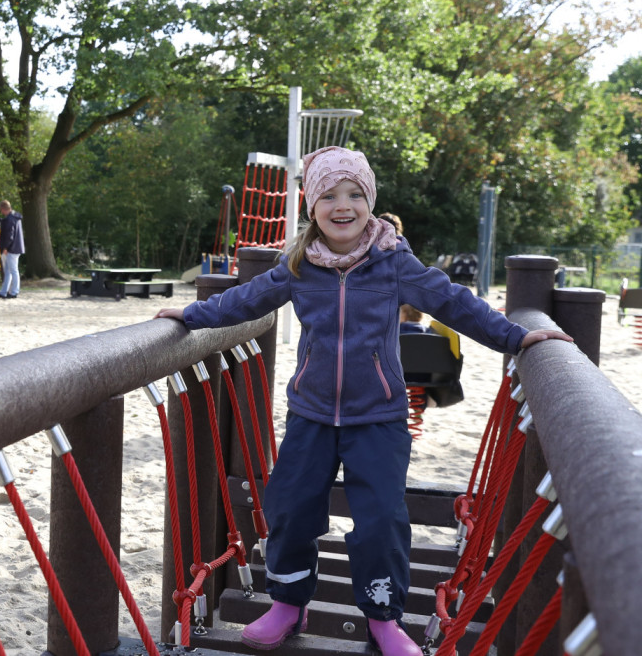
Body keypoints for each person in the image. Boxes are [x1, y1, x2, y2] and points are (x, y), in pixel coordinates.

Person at [154, 145, 571, 656]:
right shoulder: (299, 264)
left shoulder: (394, 261)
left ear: (369, 202)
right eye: (328, 195)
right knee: (289, 506)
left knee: (381, 518)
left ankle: (383, 617)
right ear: (313, 207)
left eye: (354, 193)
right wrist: (191, 315)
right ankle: (288, 602)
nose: (342, 205)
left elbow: (453, 302)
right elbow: (248, 298)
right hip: (310, 414)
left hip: (379, 417)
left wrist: (514, 337)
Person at [0, 200, 24, 299]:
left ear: (3, 209)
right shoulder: (15, 217)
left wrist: (5, 247)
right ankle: (4, 291)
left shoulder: (10, 219)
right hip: (16, 246)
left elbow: (9, 235)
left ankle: (14, 291)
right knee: (8, 270)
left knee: (13, 270)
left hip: (12, 248)